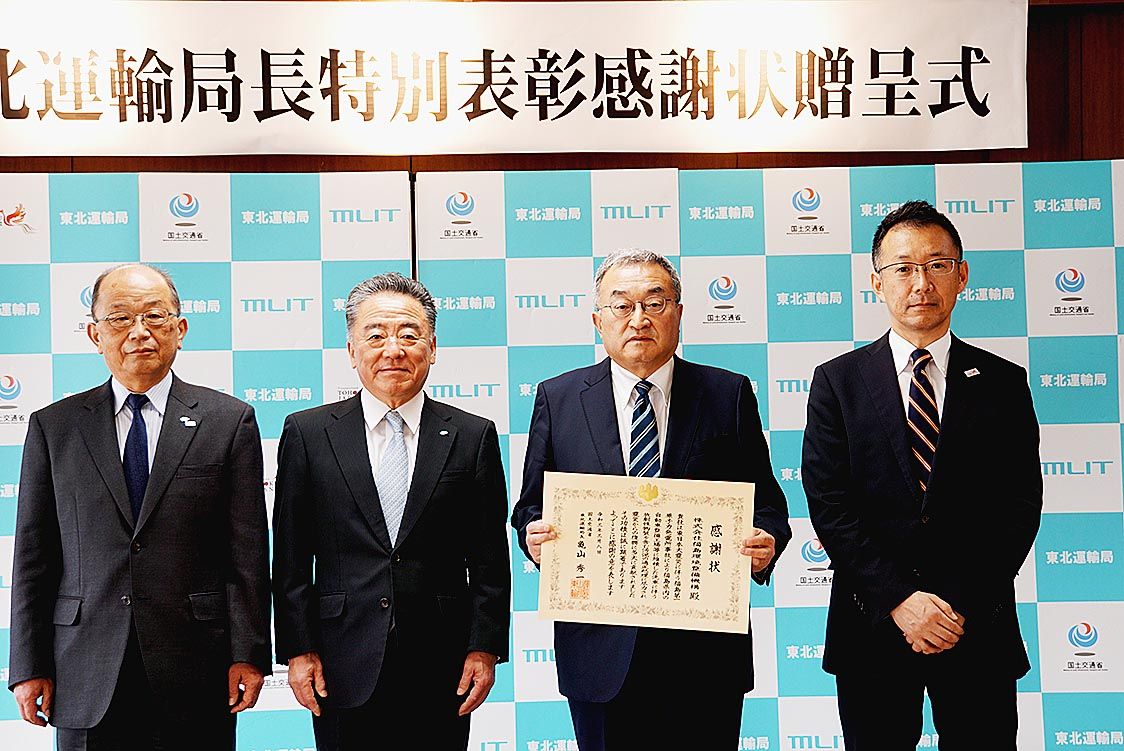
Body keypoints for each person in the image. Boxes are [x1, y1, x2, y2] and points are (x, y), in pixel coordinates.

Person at [510, 249, 790, 750]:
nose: (638, 319)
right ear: (598, 320)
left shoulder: (727, 394)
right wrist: (533, 536)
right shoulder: (559, 397)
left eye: (655, 303)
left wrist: (766, 540)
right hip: (599, 652)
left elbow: (768, 504)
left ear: (679, 313)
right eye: (622, 305)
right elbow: (530, 506)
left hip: (705, 654)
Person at [802, 200, 1042, 750]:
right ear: (876, 282)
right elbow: (830, 505)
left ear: (962, 275)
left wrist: (953, 605)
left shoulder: (1003, 383)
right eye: (904, 268)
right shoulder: (837, 382)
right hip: (872, 625)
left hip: (974, 625)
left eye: (937, 265)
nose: (921, 283)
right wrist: (900, 601)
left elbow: (1019, 506)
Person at [8, 263, 272, 750]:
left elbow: (247, 554)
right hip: (83, 666)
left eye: (154, 316)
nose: (139, 332)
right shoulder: (54, 427)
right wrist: (28, 665)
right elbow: (33, 558)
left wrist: (249, 653)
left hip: (197, 665)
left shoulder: (228, 421)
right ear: (95, 334)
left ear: (180, 328)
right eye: (120, 318)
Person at [272, 272, 509, 750]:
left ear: (433, 347)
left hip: (443, 662)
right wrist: (298, 650)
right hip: (339, 660)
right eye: (376, 336)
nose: (393, 350)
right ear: (351, 350)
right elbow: (291, 558)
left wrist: (484, 648)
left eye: (409, 335)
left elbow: (489, 560)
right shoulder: (308, 434)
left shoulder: (472, 436)